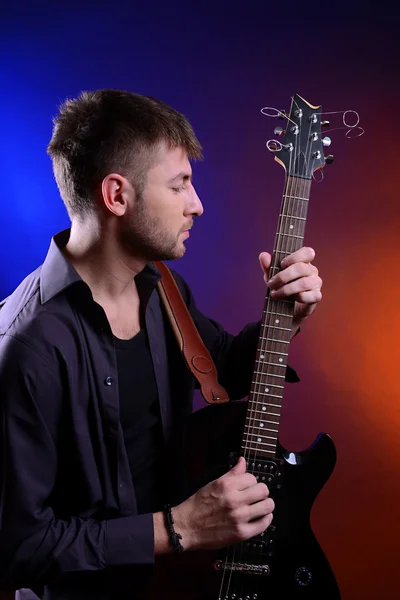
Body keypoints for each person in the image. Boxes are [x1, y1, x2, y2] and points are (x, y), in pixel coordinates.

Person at [0, 90, 322, 600]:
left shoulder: (162, 289)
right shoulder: (27, 348)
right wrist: (182, 527)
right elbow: (17, 549)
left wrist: (287, 314)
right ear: (117, 196)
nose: (198, 205)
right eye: (180, 185)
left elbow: (226, 371)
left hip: (177, 586)